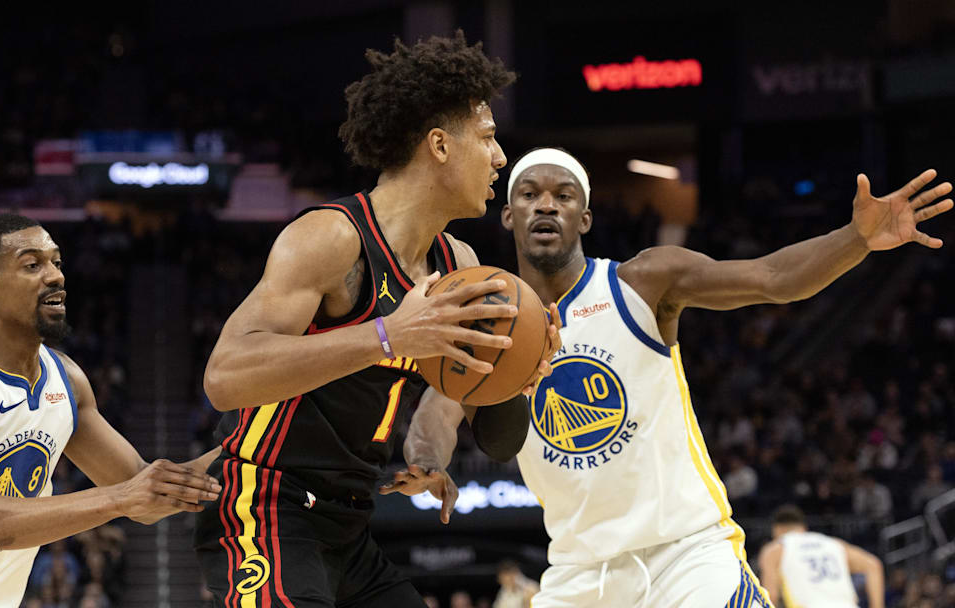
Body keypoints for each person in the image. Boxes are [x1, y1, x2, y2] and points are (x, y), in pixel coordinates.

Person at [395, 147, 951, 607]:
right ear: (509, 215)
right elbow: (439, 407)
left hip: (686, 556)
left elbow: (773, 277)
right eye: (530, 194)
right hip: (578, 572)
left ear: (584, 218)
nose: (547, 205)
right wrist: (426, 460)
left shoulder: (643, 282)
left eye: (563, 196)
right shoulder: (490, 323)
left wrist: (856, 239)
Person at [195, 31, 557, 608]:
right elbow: (224, 376)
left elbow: (464, 413)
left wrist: (515, 377)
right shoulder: (331, 239)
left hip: (349, 527)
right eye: (487, 138)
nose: (500, 158)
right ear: (439, 145)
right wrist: (387, 335)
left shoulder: (458, 264)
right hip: (265, 505)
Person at [0, 213, 222, 606]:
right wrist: (121, 498)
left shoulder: (66, 380)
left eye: (56, 262)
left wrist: (256, 431)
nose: (56, 276)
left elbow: (145, 489)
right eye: (32, 264)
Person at [758, 505, 884, 608]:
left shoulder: (775, 549)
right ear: (803, 527)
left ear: (776, 529)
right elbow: (874, 565)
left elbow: (770, 596)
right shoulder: (833, 543)